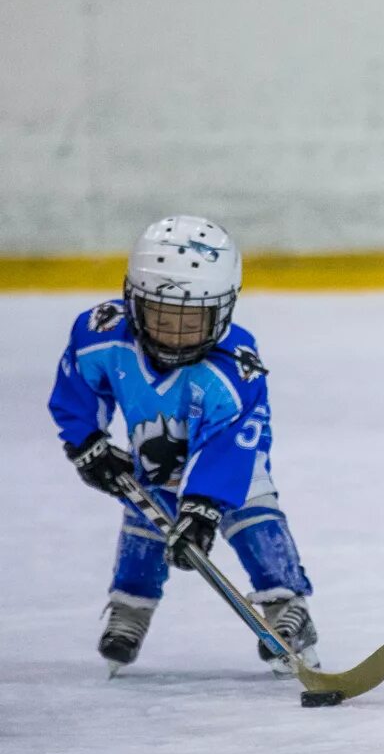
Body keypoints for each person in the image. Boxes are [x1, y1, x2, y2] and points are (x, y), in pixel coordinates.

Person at [48, 215, 318, 676]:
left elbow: (231, 443)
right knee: (142, 531)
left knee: (256, 523)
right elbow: (77, 389)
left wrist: (202, 507)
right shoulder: (100, 335)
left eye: (191, 321)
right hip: (153, 461)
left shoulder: (235, 368)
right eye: (160, 315)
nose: (173, 334)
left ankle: (287, 609)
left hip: (230, 469)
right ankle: (129, 610)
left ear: (224, 310)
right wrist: (87, 444)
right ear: (133, 301)